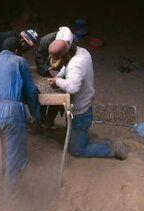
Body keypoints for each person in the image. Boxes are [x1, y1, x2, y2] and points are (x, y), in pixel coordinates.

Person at [46, 27, 127, 160]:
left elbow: (72, 87)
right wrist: (59, 76)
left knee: (78, 150)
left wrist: (58, 80)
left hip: (80, 112)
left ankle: (112, 148)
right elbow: (66, 66)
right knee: (77, 136)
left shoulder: (76, 64)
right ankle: (98, 141)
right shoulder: (79, 51)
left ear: (68, 53)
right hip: (81, 107)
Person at [0, 37, 41, 196]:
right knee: (13, 156)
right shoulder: (19, 61)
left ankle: (20, 175)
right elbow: (31, 91)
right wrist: (36, 115)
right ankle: (11, 198)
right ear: (17, 51)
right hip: (11, 112)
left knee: (13, 147)